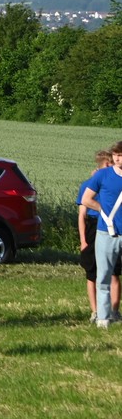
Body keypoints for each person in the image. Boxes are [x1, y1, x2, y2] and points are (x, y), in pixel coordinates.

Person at [78, 141, 122, 329]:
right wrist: (104, 211)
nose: (118, 158)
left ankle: (114, 312)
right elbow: (86, 200)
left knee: (114, 276)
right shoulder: (102, 175)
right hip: (106, 232)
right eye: (115, 155)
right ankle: (103, 319)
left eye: (121, 155)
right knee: (103, 275)